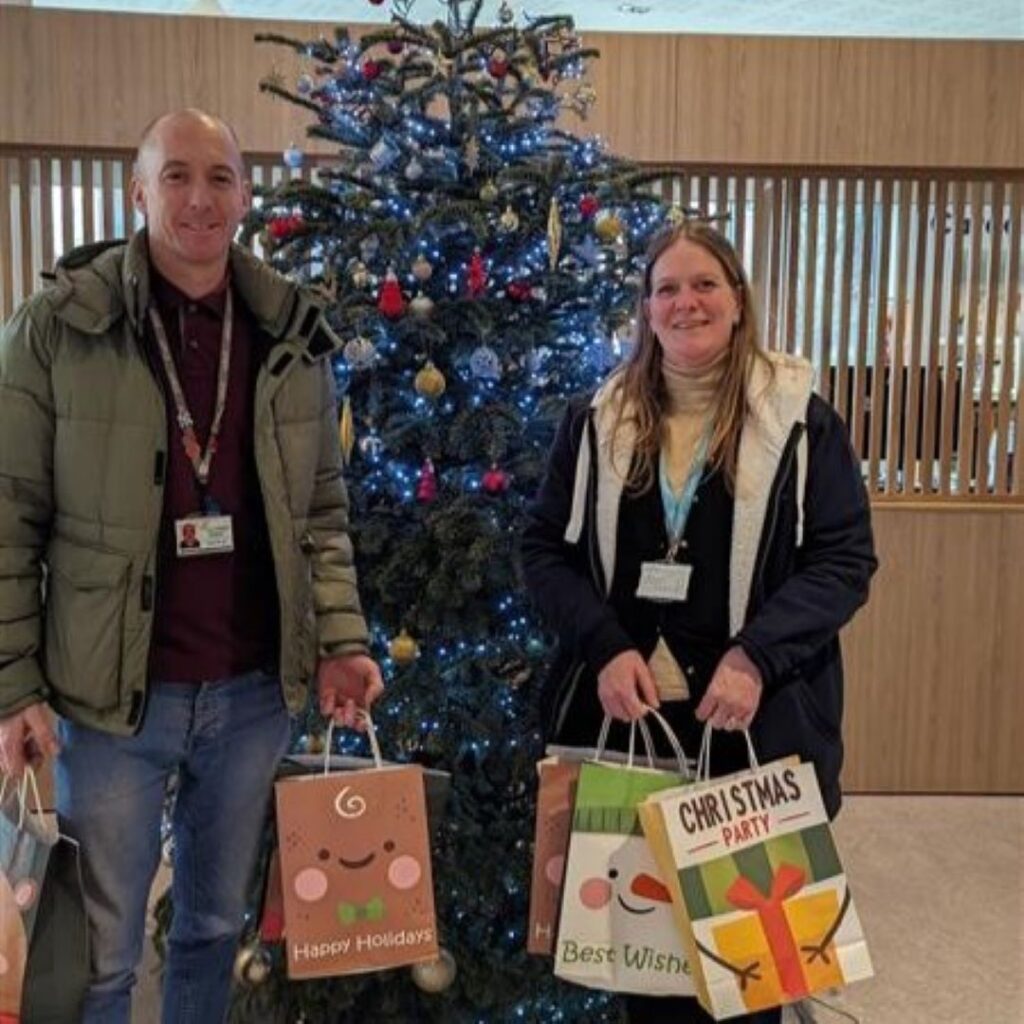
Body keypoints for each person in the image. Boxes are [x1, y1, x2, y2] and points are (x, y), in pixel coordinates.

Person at [0, 109, 383, 1024]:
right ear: (137, 192)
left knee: (212, 927)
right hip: (112, 700)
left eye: (220, 177)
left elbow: (321, 515)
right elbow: (8, 519)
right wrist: (14, 685)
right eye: (176, 175)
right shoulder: (59, 328)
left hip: (252, 692)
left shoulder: (291, 334)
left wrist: (341, 639)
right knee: (103, 948)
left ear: (246, 197)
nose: (200, 197)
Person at [521, 221, 877, 1024]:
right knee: (642, 969)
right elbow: (542, 549)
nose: (687, 303)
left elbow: (844, 560)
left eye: (705, 284)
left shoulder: (802, 421)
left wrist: (755, 656)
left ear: (739, 301)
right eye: (668, 289)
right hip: (630, 726)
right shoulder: (596, 420)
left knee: (746, 979)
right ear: (646, 311)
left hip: (755, 724)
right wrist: (605, 648)